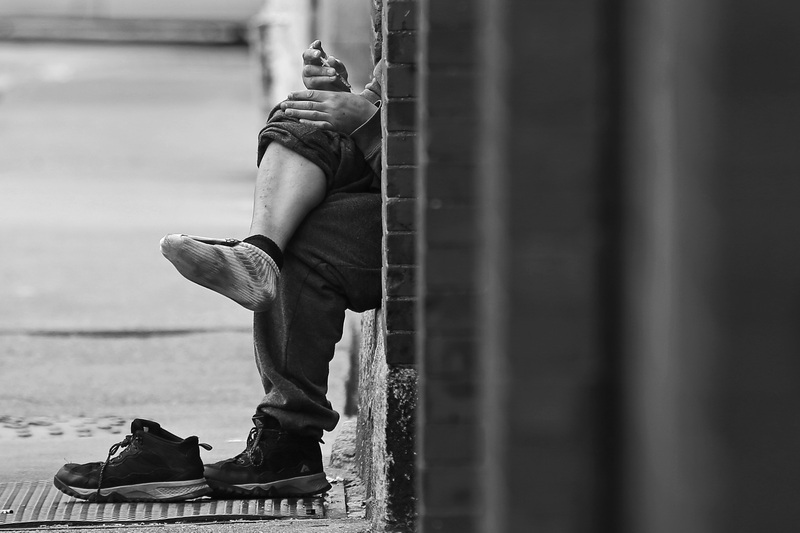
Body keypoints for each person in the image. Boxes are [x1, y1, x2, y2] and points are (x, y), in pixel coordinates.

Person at [54, 42, 384, 502]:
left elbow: (454, 170)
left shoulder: (472, 34)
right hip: (387, 187)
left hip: (442, 224)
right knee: (301, 120)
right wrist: (345, 100)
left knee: (307, 240)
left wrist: (367, 127)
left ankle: (289, 441)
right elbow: (394, 104)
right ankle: (259, 252)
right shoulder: (416, 25)